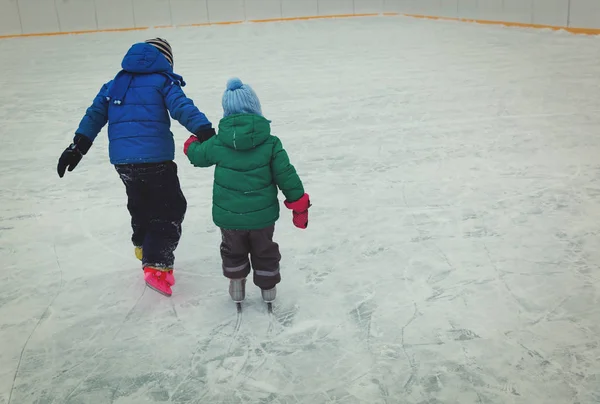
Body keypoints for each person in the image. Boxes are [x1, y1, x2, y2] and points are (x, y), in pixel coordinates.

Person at [57, 38, 215, 297]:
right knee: (169, 208)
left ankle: (143, 243)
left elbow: (94, 116)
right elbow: (182, 108)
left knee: (140, 202)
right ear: (165, 61)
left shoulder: (114, 85)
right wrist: (205, 131)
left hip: (123, 162)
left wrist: (78, 147)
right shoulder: (163, 82)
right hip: (156, 159)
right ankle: (156, 264)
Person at [183, 77, 311, 303]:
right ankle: (268, 289)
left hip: (229, 217)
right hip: (262, 217)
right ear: (255, 107)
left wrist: (191, 144)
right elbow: (287, 175)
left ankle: (236, 285)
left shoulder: (218, 143)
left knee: (233, 251)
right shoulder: (271, 143)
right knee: (264, 250)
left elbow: (198, 156)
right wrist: (299, 206)